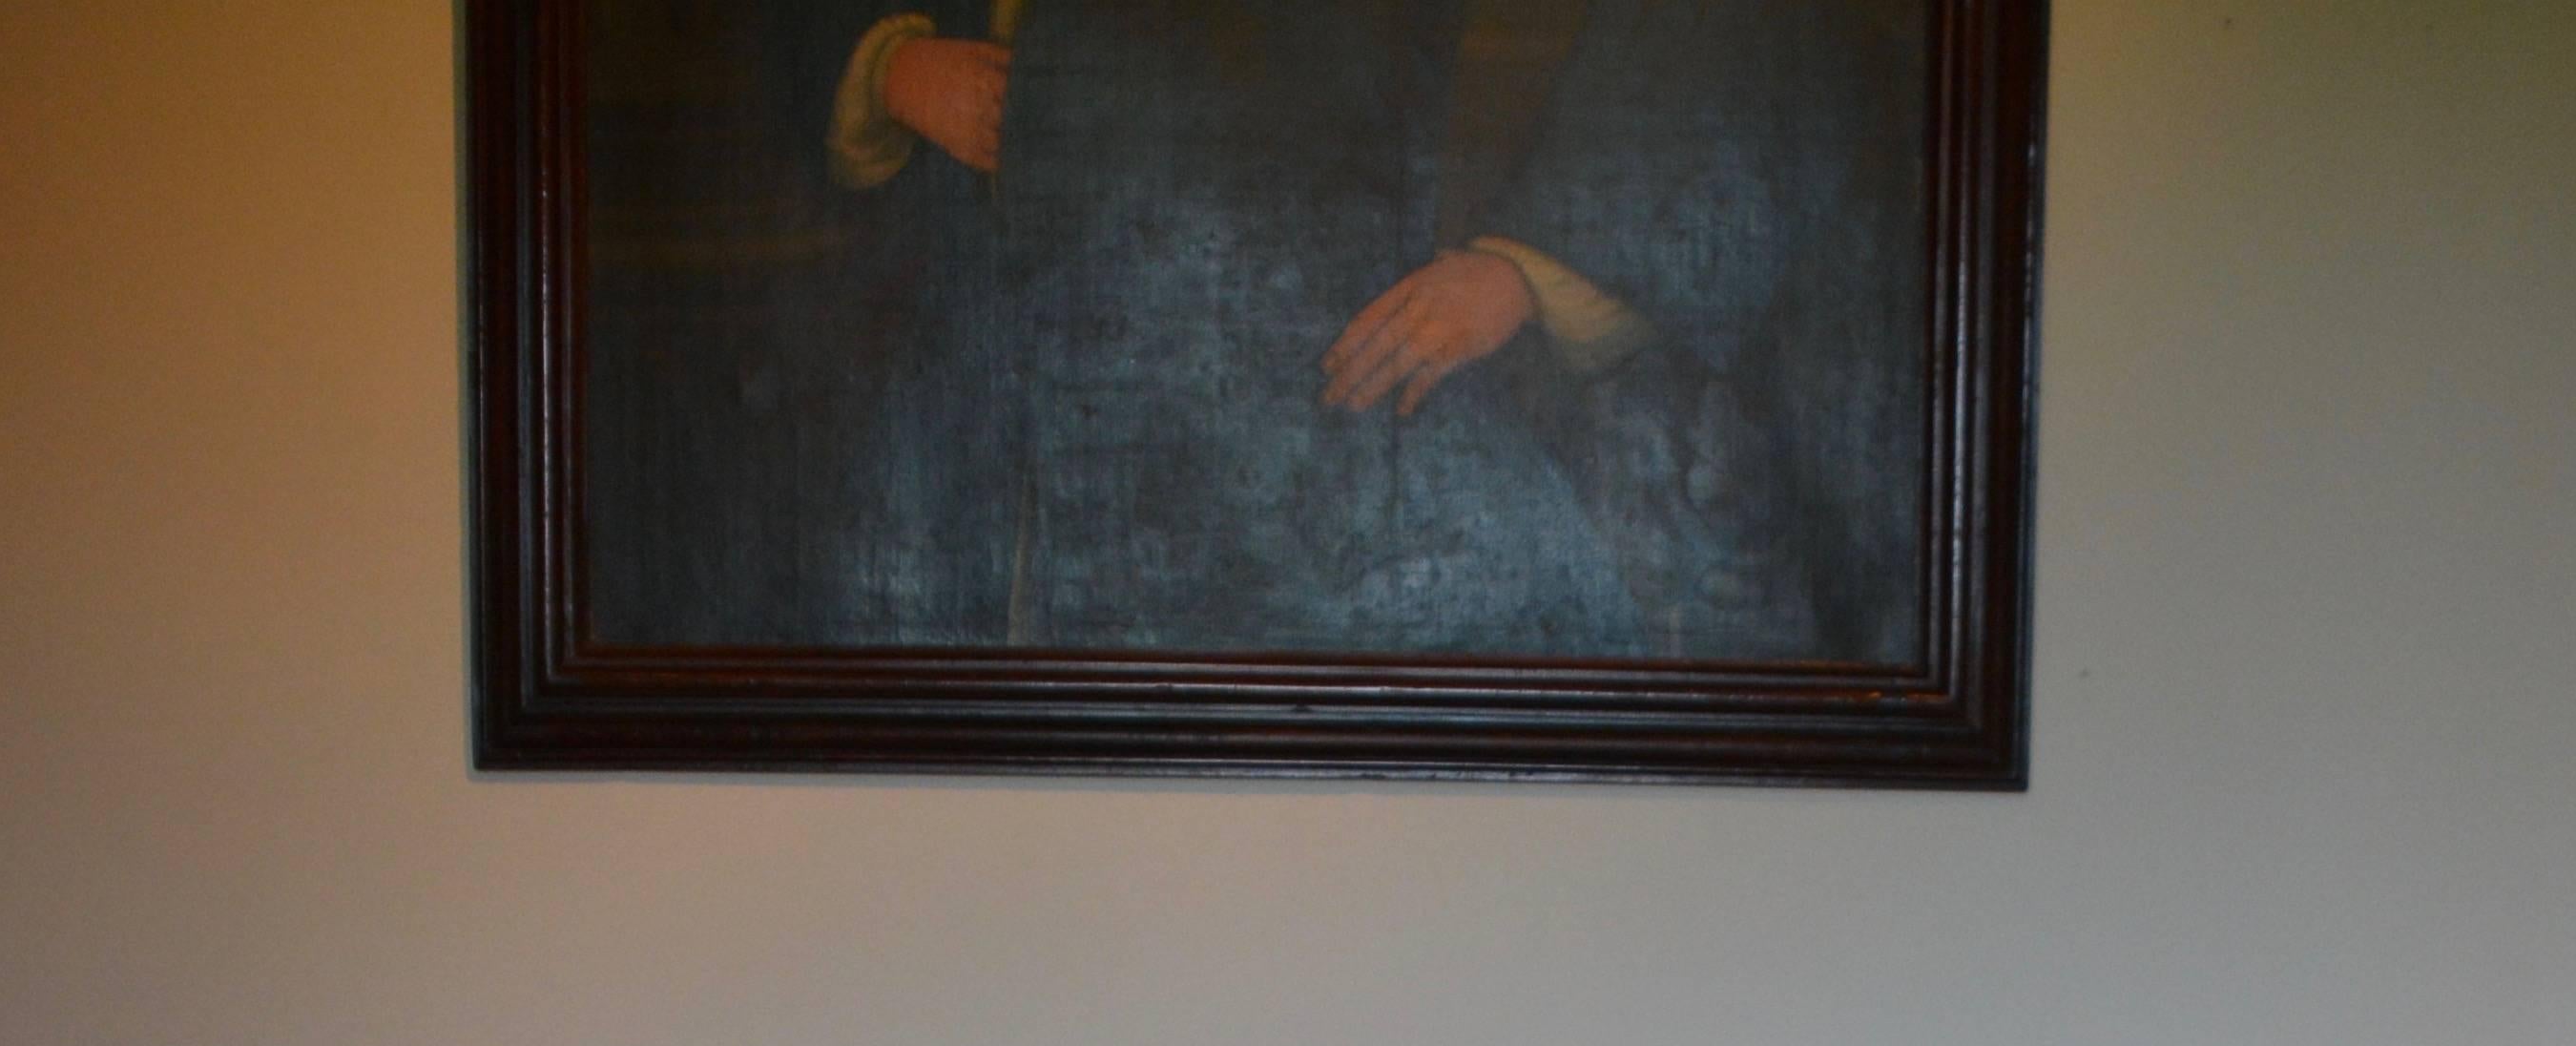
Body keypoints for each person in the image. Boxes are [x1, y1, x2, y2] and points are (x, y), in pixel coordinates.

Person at [768, 0, 1899, 659]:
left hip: (1357, 408)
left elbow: (1755, 44)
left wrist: (1527, 267)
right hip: (985, 406)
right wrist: (882, 58)